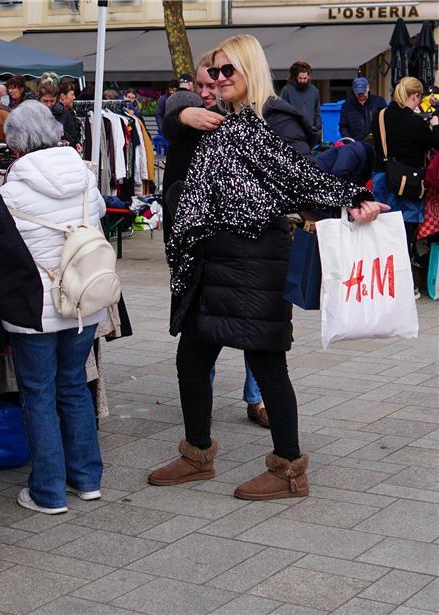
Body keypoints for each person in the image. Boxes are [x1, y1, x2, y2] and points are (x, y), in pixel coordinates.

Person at [149, 34, 388, 501]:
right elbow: (174, 120)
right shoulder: (228, 120)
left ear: (248, 69)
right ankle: (197, 453)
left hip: (257, 260)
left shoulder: (274, 117)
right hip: (213, 258)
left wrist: (351, 200)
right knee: (192, 357)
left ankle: (289, 468)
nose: (217, 80)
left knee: (266, 361)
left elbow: (303, 174)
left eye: (226, 71)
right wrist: (179, 113)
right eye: (213, 73)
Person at [0, 100, 105, 515]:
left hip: (34, 305)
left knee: (38, 393)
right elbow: (95, 222)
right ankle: (87, 479)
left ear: (16, 145)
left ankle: (48, 491)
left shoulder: (10, 190)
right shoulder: (85, 178)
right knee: (74, 385)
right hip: (83, 299)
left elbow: (7, 249)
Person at [160, 51, 269, 429]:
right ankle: (200, 405)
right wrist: (181, 114)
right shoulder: (187, 116)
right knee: (198, 329)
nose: (207, 92)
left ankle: (256, 398)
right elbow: (168, 117)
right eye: (202, 84)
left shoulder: (240, 121)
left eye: (214, 83)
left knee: (252, 327)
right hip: (190, 245)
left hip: (235, 246)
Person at [371, 76, 439, 298]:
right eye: (418, 98)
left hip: (382, 179)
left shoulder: (379, 115)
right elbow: (435, 143)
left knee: (384, 233)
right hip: (407, 184)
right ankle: (403, 284)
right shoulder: (415, 122)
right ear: (414, 95)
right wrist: (435, 126)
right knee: (404, 236)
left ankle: (383, 282)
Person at [279, 61, 322, 143]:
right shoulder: (287, 90)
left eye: (305, 78)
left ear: (309, 77)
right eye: (300, 78)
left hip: (309, 133)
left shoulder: (314, 91)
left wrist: (317, 130)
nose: (302, 81)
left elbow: (317, 113)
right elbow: (281, 112)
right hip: (292, 133)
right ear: (296, 77)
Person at [339, 77, 386, 141]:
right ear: (353, 89)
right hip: (355, 143)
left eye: (363, 92)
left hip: (376, 142)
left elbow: (385, 123)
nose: (361, 95)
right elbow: (343, 127)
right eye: (358, 93)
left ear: (368, 88)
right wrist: (349, 142)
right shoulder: (347, 105)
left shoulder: (379, 102)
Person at [54, 81, 82, 151]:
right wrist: (73, 142)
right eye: (72, 95)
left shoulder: (70, 112)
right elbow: (61, 133)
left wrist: (77, 143)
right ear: (63, 96)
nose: (74, 97)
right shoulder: (59, 112)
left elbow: (72, 132)